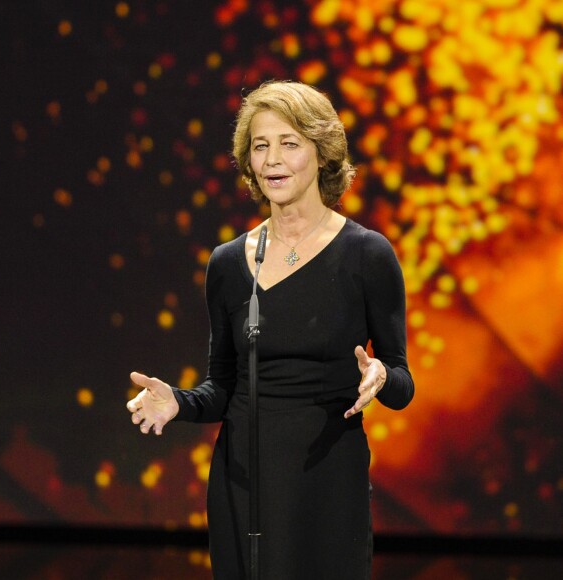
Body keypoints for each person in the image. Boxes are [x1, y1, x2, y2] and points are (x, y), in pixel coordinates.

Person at [126, 80, 414, 579]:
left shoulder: (367, 256)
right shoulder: (229, 264)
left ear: (323, 154)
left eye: (289, 143)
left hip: (328, 479)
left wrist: (383, 378)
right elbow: (223, 386)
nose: (272, 159)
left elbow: (402, 381)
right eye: (260, 145)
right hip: (245, 482)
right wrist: (178, 401)